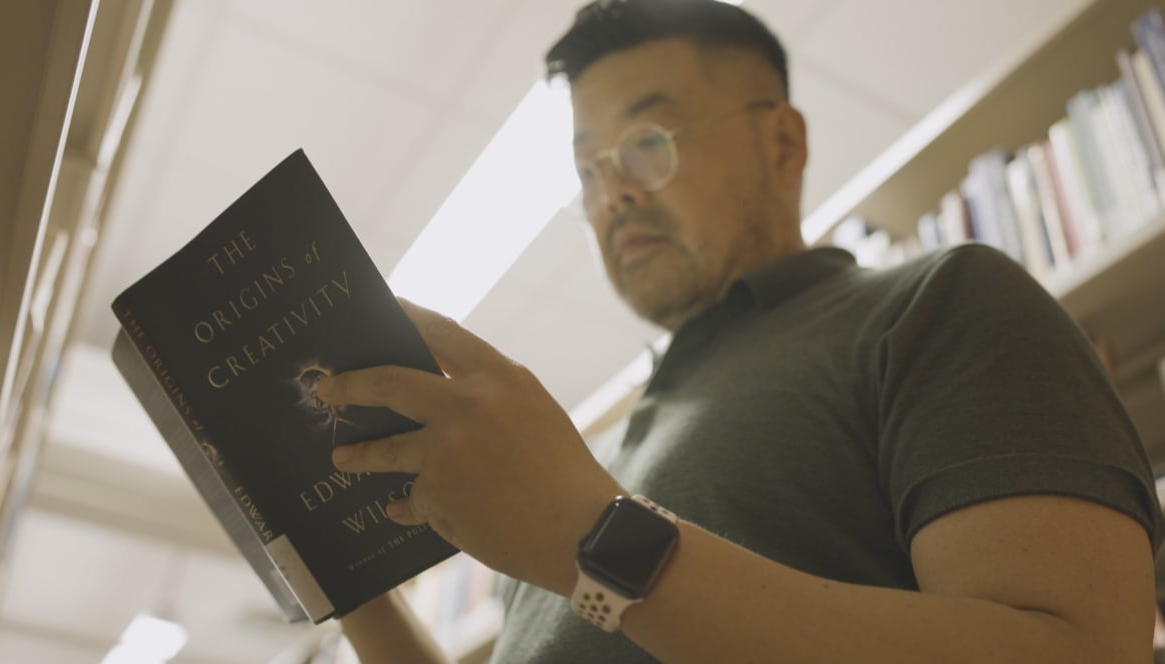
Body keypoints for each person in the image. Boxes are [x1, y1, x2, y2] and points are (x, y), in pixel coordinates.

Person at [323, 0, 1164, 661]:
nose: (610, 193)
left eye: (646, 142)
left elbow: (1079, 652)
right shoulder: (590, 459)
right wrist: (347, 587)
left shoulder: (937, 304)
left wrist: (587, 533)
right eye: (587, 169)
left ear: (783, 142)